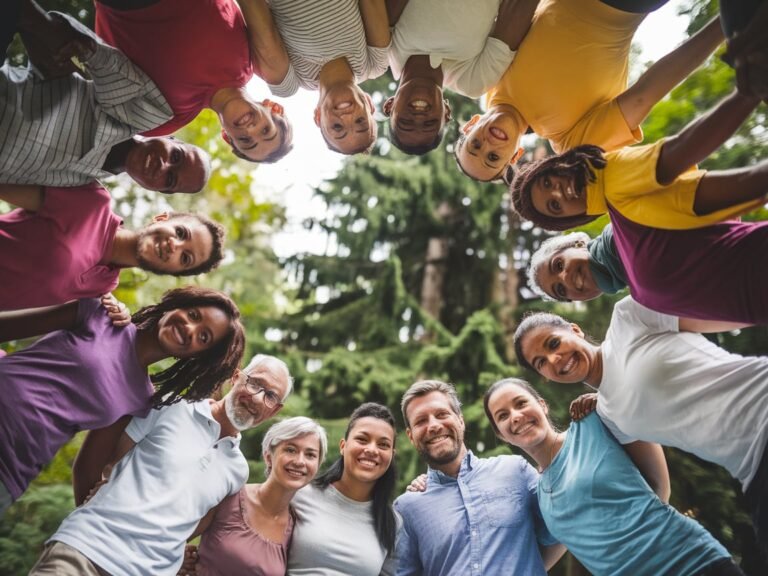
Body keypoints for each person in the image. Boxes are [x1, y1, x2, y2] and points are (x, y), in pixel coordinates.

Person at [513, 299, 768, 553]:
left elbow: (743, 305)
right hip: (752, 470)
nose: (554, 359)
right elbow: (656, 488)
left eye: (554, 343)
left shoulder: (629, 317)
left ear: (575, 330)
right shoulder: (608, 414)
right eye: (541, 363)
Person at [28, 354, 292, 576]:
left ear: (275, 410)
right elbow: (107, 461)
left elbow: (196, 523)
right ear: (236, 378)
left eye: (270, 396)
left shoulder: (238, 471)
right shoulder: (173, 405)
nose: (257, 398)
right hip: (85, 552)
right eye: (255, 383)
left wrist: (173, 555)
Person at [0, 286, 246, 516]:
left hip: (11, 469)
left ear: (198, 357)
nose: (190, 328)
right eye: (193, 314)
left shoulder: (140, 399)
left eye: (203, 337)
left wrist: (90, 527)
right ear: (177, 305)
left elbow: (88, 469)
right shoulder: (99, 313)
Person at [483, 378, 744, 575]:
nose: (516, 417)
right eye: (503, 416)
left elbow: (659, 488)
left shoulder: (592, 423)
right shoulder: (540, 495)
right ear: (500, 434)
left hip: (688, 562)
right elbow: (534, 561)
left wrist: (608, 402)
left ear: (542, 405)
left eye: (521, 403)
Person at [454, 1, 724, 182]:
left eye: (475, 144)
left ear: (471, 126)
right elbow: (646, 93)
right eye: (493, 158)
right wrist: (727, 23)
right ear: (515, 156)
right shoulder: (569, 137)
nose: (488, 144)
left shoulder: (487, 74)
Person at [3, 3, 210, 193]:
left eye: (170, 179)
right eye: (175, 156)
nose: (163, 166)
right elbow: (90, 51)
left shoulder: (83, 185)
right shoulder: (136, 113)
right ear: (170, 138)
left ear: (160, 190)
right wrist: (81, 48)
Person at [510, 86, 766, 232]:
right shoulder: (611, 179)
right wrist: (748, 90)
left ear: (553, 166)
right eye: (555, 206)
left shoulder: (618, 211)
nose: (557, 193)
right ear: (571, 218)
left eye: (546, 183)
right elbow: (684, 149)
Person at [395, 379, 563, 576]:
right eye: (421, 421)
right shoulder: (407, 508)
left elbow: (561, 525)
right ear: (410, 435)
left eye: (442, 414)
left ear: (460, 420)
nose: (433, 426)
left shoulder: (515, 470)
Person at [94, 0, 293, 163]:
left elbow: (103, 65)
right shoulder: (252, 58)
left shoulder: (165, 119)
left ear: (226, 136)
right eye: (265, 130)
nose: (250, 129)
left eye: (245, 141)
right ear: (273, 107)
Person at [0, 181, 225, 310]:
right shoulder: (93, 203)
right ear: (161, 218)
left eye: (185, 258)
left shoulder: (103, 288)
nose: (173, 246)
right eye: (180, 232)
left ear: (175, 272)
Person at [528, 218, 768, 324]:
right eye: (561, 290)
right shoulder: (640, 297)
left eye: (558, 265)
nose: (565, 278)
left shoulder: (624, 227)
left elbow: (701, 198)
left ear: (577, 244)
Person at [178, 417, 328, 576]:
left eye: (310, 455)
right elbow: (170, 538)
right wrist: (178, 562)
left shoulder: (300, 527)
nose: (300, 461)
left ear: (317, 466)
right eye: (290, 450)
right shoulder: (229, 497)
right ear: (268, 456)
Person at [383, 0, 537, 154]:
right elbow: (518, 7)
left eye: (406, 122)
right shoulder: (472, 80)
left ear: (390, 106)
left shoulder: (384, 46)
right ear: (447, 112)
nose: (418, 117)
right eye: (429, 123)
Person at [261, 0, 391, 155]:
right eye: (360, 121)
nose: (347, 117)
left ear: (318, 117)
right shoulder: (374, 62)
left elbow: (258, 19)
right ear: (369, 105)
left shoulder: (290, 80)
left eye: (337, 127)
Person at [287, 402, 398, 575]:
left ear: (392, 455)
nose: (371, 450)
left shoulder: (394, 523)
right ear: (343, 446)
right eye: (362, 439)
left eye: (383, 444)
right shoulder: (298, 495)